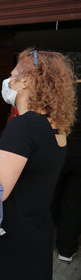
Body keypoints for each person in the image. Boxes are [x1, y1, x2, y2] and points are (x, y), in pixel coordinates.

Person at [0, 49, 77, 280]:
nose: (8, 80)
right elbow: (31, 170)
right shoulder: (55, 126)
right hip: (36, 232)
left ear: (26, 80)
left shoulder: (24, 126)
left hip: (9, 238)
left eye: (13, 74)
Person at [54, 52, 81, 263]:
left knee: (47, 195)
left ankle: (42, 241)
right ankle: (66, 249)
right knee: (73, 202)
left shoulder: (62, 92)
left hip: (60, 148)